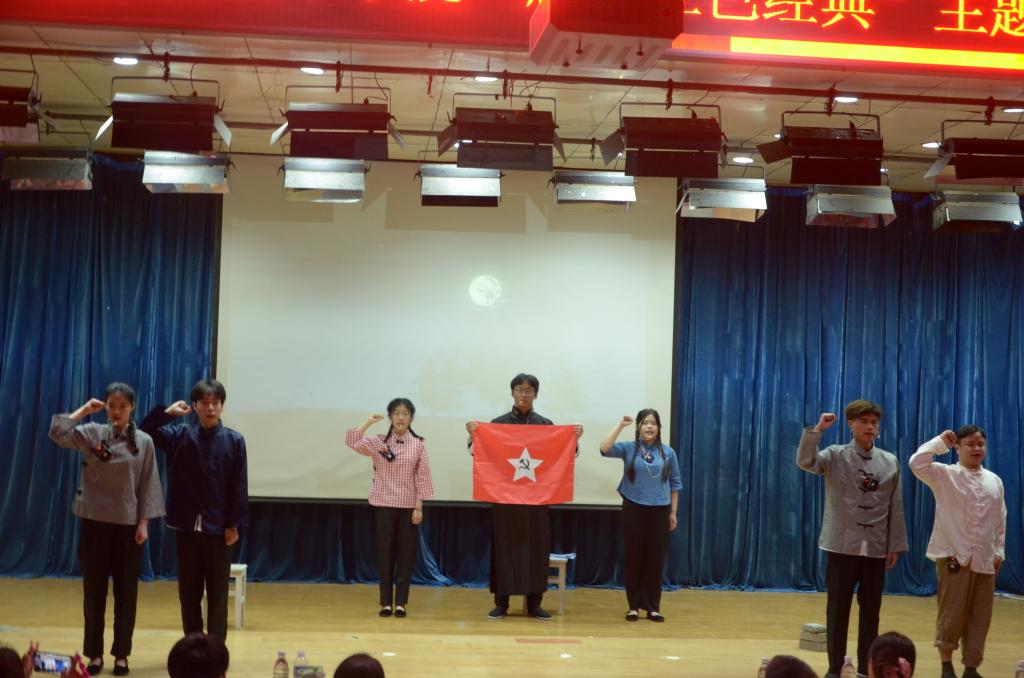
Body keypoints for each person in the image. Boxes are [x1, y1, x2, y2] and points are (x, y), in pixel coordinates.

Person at [48, 383, 166, 676]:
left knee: (126, 594)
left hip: (128, 527)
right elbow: (58, 433)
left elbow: (148, 484)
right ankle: (95, 654)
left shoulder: (144, 441)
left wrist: (143, 524)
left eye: (122, 406)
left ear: (132, 407)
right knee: (94, 593)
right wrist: (84, 410)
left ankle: (121, 654)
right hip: (94, 523)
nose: (116, 411)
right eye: (111, 406)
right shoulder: (93, 432)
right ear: (105, 406)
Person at [796, 400, 909, 678]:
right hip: (841, 546)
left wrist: (894, 545)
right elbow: (806, 462)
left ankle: (867, 669)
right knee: (837, 611)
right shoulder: (835, 455)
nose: (870, 427)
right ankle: (835, 669)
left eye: (874, 422)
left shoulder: (890, 461)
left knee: (871, 613)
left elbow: (896, 506)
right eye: (864, 422)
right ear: (850, 424)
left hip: (875, 548)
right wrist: (817, 430)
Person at [466, 373, 583, 621]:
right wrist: (473, 435)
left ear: (536, 395)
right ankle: (502, 603)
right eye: (519, 389)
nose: (524, 394)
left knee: (536, 551)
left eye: (529, 390)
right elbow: (479, 454)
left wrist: (574, 439)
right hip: (505, 500)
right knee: (504, 550)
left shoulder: (546, 425)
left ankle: (534, 604)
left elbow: (563, 456)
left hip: (536, 502)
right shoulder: (497, 424)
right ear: (512, 393)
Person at [139, 379, 248, 643]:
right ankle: (193, 645)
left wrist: (233, 524)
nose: (210, 408)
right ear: (195, 406)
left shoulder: (234, 440)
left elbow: (239, 486)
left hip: (219, 529)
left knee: (218, 593)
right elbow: (145, 430)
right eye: (204, 403)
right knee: (188, 592)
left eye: (215, 403)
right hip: (186, 527)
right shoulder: (179, 435)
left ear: (222, 406)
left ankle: (216, 649)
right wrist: (169, 413)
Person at [910, 426, 1006, 678]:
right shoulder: (945, 474)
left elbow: (1000, 519)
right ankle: (946, 667)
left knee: (980, 616)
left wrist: (999, 551)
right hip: (953, 556)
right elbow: (916, 463)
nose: (976, 449)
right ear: (958, 447)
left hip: (985, 559)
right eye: (970, 444)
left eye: (980, 444)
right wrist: (939, 442)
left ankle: (971, 668)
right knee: (951, 613)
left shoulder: (994, 481)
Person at [345, 398, 435, 618]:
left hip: (408, 506)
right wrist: (368, 422)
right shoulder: (378, 441)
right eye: (396, 413)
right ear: (390, 417)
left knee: (406, 555)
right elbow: (352, 441)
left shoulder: (419, 444)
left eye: (405, 414)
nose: (400, 418)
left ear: (411, 418)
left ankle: (401, 602)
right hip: (383, 504)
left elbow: (423, 476)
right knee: (384, 554)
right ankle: (386, 602)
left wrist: (419, 507)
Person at [599, 410, 681, 622]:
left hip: (660, 510)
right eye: (645, 423)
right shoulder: (629, 448)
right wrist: (620, 425)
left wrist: (673, 513)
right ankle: (633, 606)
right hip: (634, 509)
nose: (649, 427)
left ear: (659, 428)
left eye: (654, 423)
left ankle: (653, 607)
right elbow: (604, 449)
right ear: (638, 427)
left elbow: (675, 484)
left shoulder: (668, 452)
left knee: (656, 560)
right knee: (634, 558)